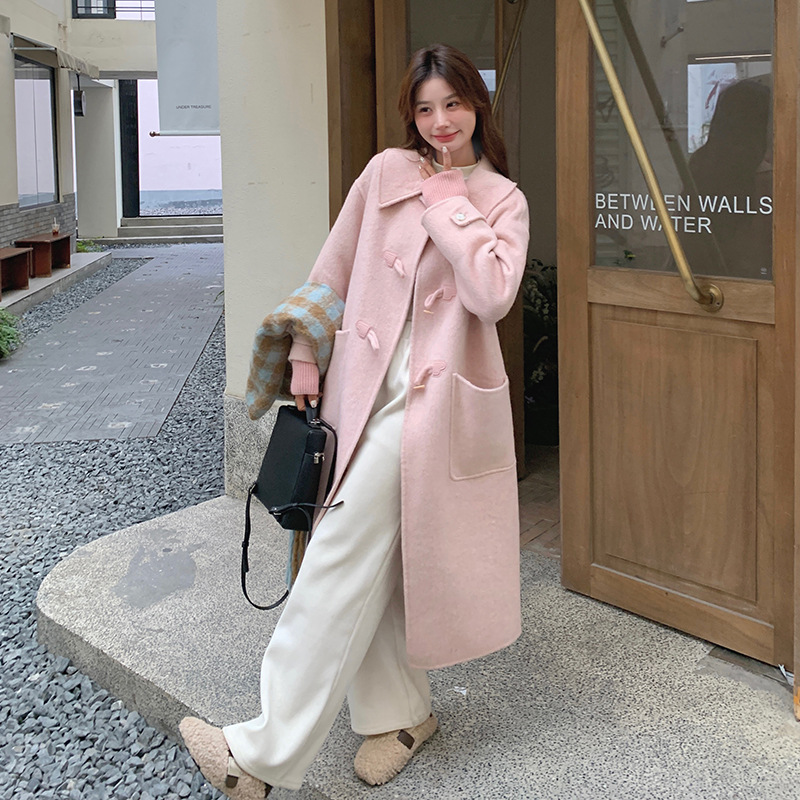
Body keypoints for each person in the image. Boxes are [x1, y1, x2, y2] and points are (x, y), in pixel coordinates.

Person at [179, 43, 530, 799]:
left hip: (434, 416)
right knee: (375, 565)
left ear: (478, 105)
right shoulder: (383, 173)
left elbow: (493, 295)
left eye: (454, 104)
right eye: (425, 109)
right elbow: (331, 268)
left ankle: (257, 757)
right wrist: (306, 352)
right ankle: (401, 715)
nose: (440, 122)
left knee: (336, 561)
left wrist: (450, 204)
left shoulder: (501, 199)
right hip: (359, 399)